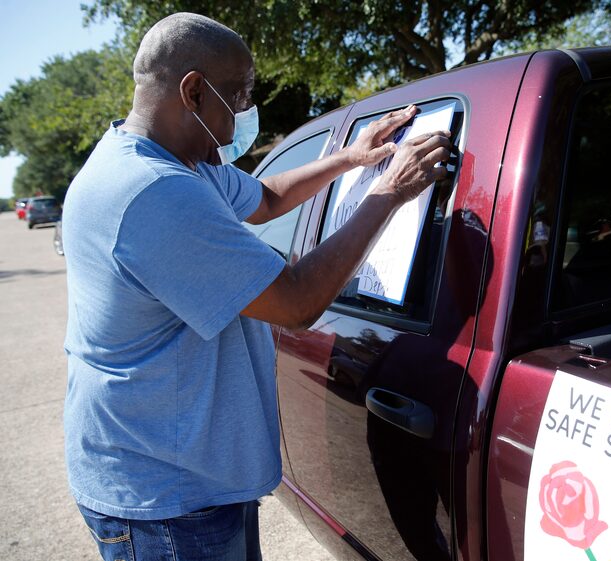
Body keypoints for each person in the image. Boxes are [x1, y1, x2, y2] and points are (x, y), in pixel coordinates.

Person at [61, 12, 451, 561]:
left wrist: (349, 158)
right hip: (166, 498)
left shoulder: (175, 161)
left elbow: (265, 198)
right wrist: (387, 193)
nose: (248, 110)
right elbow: (295, 302)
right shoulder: (151, 192)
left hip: (180, 474)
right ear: (193, 90)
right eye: (241, 94)